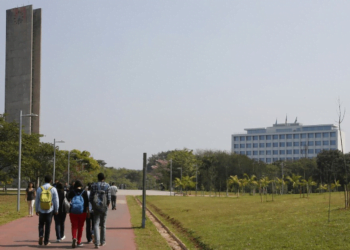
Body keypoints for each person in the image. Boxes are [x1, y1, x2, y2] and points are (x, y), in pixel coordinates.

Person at [35, 175, 59, 246]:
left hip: (41, 209)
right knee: (48, 225)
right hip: (50, 209)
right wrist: (56, 209)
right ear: (51, 180)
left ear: (44, 180)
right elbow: (56, 200)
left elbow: (37, 200)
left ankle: (41, 235)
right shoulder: (53, 189)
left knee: (41, 224)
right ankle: (46, 241)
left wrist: (36, 209)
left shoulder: (40, 189)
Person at [89, 173, 111, 249]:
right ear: (104, 178)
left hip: (96, 207)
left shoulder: (94, 185)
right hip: (104, 207)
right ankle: (103, 241)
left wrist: (93, 205)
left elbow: (91, 197)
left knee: (96, 224)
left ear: (97, 178)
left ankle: (96, 243)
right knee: (103, 224)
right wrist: (107, 205)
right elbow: (108, 197)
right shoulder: (107, 185)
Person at [67, 180, 90, 248]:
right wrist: (88, 212)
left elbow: (67, 199)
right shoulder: (84, 192)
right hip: (82, 211)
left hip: (73, 211)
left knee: (74, 226)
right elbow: (87, 203)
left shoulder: (72, 192)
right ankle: (79, 241)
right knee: (81, 226)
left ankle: (74, 237)